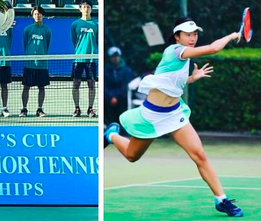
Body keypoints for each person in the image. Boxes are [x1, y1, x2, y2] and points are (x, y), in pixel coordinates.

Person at [104, 17, 244, 218]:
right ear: (177, 37)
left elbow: (171, 83)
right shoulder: (175, 51)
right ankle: (112, 135)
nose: (192, 38)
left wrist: (191, 78)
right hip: (151, 116)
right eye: (187, 34)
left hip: (174, 114)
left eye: (195, 34)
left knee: (200, 155)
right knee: (132, 156)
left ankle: (221, 200)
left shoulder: (184, 58)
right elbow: (213, 48)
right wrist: (232, 35)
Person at [20, 6, 52, 117]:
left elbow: (46, 45)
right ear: (32, 16)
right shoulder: (27, 30)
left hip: (42, 64)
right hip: (29, 64)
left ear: (42, 15)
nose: (37, 16)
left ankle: (39, 109)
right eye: (35, 14)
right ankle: (24, 109)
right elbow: (25, 44)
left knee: (41, 87)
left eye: (39, 14)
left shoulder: (47, 30)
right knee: (26, 87)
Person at [71, 0, 98, 118]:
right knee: (75, 84)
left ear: (91, 9)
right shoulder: (75, 24)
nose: (86, 9)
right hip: (78, 59)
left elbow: (98, 41)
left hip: (91, 59)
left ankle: (90, 109)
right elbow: (74, 40)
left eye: (88, 7)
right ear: (80, 9)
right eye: (84, 7)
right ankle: (77, 108)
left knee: (91, 84)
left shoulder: (96, 24)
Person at [104, 46, 133, 125]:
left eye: (117, 56)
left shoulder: (127, 70)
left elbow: (127, 86)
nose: (115, 58)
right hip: (108, 99)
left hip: (122, 99)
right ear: (110, 58)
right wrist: (111, 97)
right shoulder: (104, 70)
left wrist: (116, 97)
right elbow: (104, 86)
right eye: (113, 56)